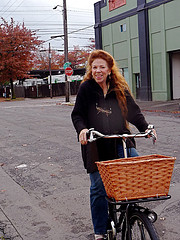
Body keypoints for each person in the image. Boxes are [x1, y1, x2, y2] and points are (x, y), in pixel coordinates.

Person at [71, 49, 156, 240]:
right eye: (94, 67)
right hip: (95, 143)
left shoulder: (119, 88)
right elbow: (77, 114)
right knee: (98, 188)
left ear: (110, 69)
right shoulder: (86, 88)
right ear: (90, 69)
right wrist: (82, 130)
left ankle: (131, 213)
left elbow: (133, 112)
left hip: (120, 140)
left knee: (135, 170)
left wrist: (147, 127)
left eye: (102, 67)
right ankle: (100, 231)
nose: (97, 70)